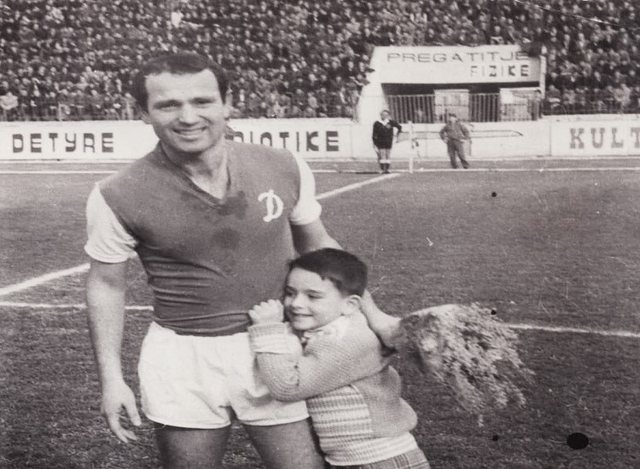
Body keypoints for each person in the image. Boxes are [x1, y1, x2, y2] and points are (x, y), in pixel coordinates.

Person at [84, 52, 399, 469]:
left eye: (202, 101)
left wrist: (375, 316)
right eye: (168, 105)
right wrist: (111, 379)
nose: (188, 117)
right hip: (183, 358)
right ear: (143, 113)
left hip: (277, 347)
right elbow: (106, 284)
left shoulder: (283, 165)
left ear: (227, 104)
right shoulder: (116, 193)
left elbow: (320, 248)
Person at [248, 248, 431, 469]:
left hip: (380, 460)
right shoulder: (333, 330)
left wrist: (268, 330)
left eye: (313, 296)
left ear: (350, 305)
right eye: (290, 293)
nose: (296, 303)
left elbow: (288, 387)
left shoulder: (349, 341)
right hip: (361, 460)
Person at [372, 110, 402, 174]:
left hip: (388, 141)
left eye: (386, 115)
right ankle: (383, 169)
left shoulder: (391, 122)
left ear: (388, 115)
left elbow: (399, 127)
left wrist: (397, 135)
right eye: (383, 114)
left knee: (388, 155)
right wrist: (374, 142)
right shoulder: (377, 123)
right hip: (380, 141)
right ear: (381, 115)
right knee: (382, 155)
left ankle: (387, 169)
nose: (384, 116)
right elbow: (374, 133)